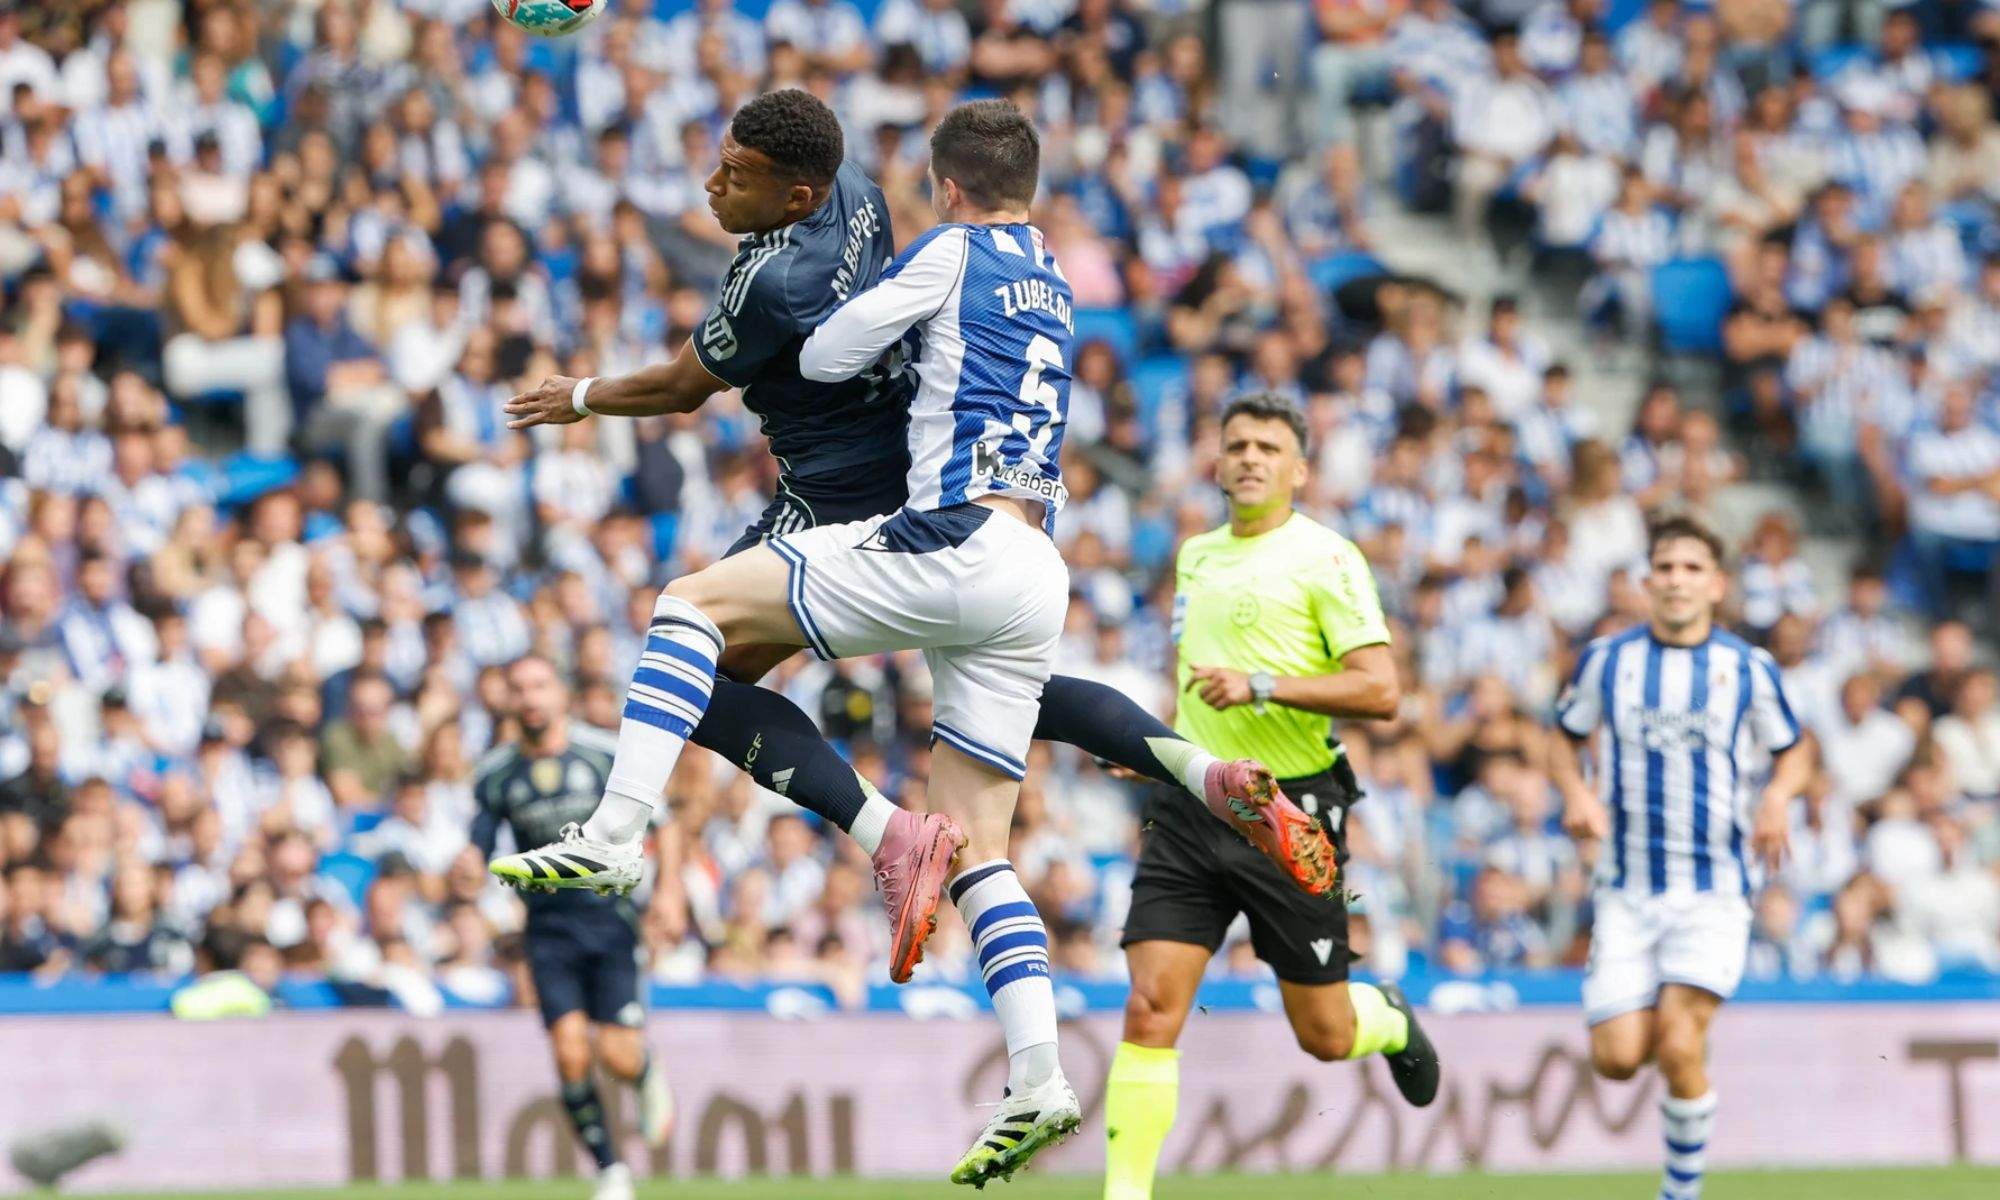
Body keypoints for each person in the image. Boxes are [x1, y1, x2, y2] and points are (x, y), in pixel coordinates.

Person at [491, 93, 1333, 958]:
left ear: (797, 198)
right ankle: (1193, 777)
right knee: (1006, 723)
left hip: (861, 499)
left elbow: (684, 386)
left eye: (733, 175)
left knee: (696, 656)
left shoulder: (774, 282)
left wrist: (579, 395)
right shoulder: (867, 192)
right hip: (974, 500)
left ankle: (706, 834)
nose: (711, 186)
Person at [1100, 394, 1440, 1200]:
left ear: (1299, 469)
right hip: (1193, 806)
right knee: (1150, 1007)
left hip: (1292, 812)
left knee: (1325, 1034)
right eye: (1236, 445)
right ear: (1216, 463)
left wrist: (1262, 686)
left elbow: (1381, 690)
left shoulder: (1328, 558)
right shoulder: (1195, 556)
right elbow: (1190, 678)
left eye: (1268, 447)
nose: (1250, 457)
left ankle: (1384, 1016)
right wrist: (1156, 750)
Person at [1552, 515, 1812, 1200]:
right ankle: (1683, 1046)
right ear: (1646, 582)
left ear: (1717, 585)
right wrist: (1576, 789)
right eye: (1665, 568)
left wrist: (1779, 796)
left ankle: (1681, 1190)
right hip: (1625, 887)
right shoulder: (1607, 660)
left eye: (1692, 568)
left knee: (1675, 1043)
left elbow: (1795, 749)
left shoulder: (1746, 669)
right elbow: (1562, 736)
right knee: (1616, 1059)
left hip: (1715, 887)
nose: (1676, 580)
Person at [467, 655, 673, 1200]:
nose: (530, 697)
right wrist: (465, 870)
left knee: (618, 1054)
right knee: (569, 1052)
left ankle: (645, 1070)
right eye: (519, 688)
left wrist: (670, 893)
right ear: (507, 700)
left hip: (610, 919)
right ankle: (611, 1170)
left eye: (539, 684)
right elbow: (478, 848)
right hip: (547, 929)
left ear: (560, 692)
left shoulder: (605, 753)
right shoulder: (494, 774)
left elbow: (665, 825)